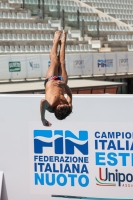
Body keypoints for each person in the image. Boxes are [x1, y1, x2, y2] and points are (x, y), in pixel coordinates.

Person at [40, 30, 72, 126]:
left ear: (57, 108)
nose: (63, 102)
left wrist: (42, 119)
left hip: (51, 79)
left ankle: (56, 39)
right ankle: (63, 41)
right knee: (62, 62)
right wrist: (64, 85)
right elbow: (70, 94)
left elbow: (42, 102)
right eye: (65, 104)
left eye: (61, 104)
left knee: (54, 60)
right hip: (62, 82)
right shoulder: (68, 107)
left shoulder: (49, 106)